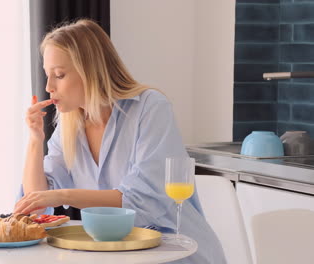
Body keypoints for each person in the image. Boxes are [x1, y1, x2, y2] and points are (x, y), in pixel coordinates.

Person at [13, 19, 226, 263]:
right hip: (117, 255)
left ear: (89, 70)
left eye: (59, 75)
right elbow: (36, 205)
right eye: (47, 75)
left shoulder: (150, 108)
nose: (49, 86)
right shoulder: (69, 126)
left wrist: (63, 196)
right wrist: (35, 139)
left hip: (176, 254)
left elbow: (141, 203)